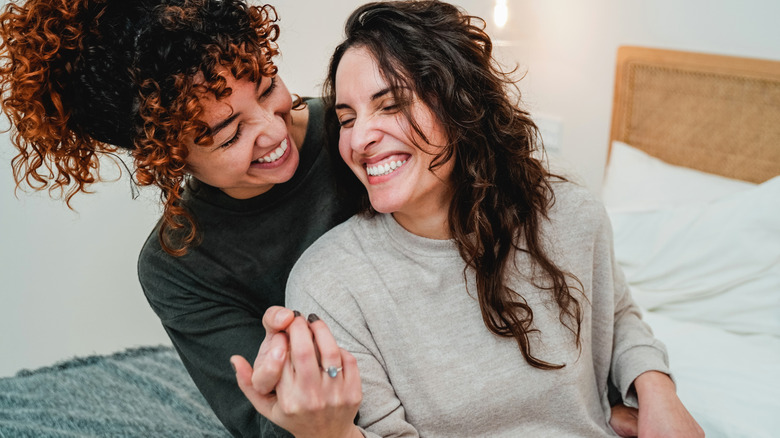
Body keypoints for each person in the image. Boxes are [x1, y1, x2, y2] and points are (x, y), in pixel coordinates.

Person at [232, 1, 704, 437]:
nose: (359, 140)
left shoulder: (570, 213)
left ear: (459, 104)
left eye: (391, 104)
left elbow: (615, 313)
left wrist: (657, 388)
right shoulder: (330, 284)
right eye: (348, 118)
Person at [0, 0, 356, 436]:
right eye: (230, 134)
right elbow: (268, 424)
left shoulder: (357, 130)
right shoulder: (178, 265)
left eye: (267, 88)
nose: (275, 130)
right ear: (170, 159)